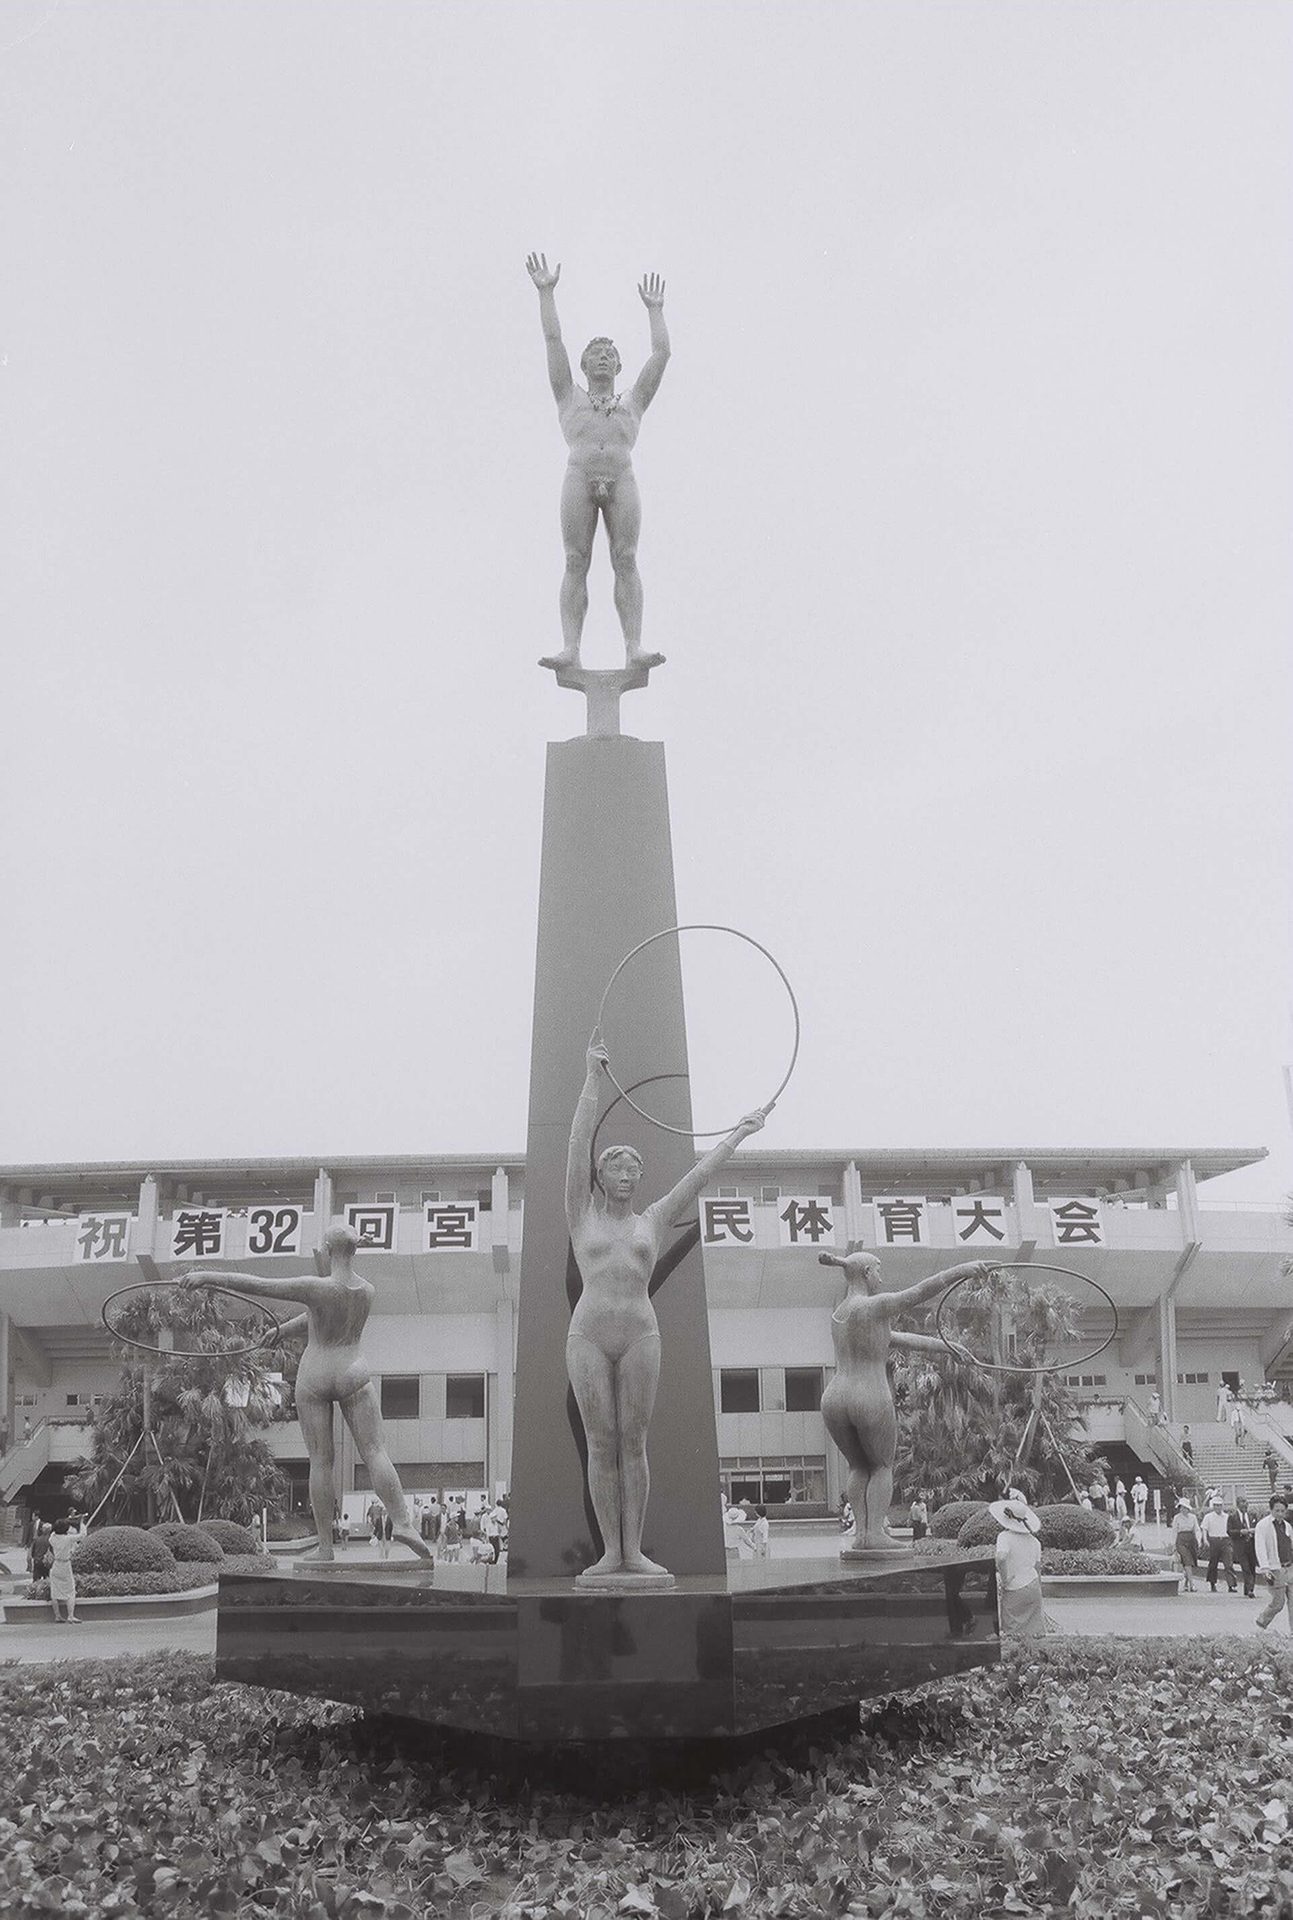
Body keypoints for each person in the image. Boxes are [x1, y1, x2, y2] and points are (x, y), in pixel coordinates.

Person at [563, 1030, 767, 1581]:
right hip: (588, 1335)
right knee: (600, 1443)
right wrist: (591, 1079)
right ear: (600, 1176)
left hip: (639, 1334)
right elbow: (576, 1145)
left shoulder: (652, 1220)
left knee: (634, 1441)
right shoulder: (581, 1215)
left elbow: (698, 1178)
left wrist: (739, 1133)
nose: (627, 1176)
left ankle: (633, 1551)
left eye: (634, 1170)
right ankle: (610, 1553)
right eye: (617, 1169)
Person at [178, 1226, 431, 1565]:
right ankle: (402, 1521)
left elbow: (259, 1285)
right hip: (352, 1368)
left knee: (321, 1462)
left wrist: (206, 1277)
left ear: (328, 1249)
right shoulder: (366, 1290)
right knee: (375, 1450)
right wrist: (282, 1331)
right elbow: (318, 1314)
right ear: (353, 1250)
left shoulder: (317, 1287)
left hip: (316, 1373)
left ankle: (325, 1547)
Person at [525, 254, 670, 674]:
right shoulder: (569, 396)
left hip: (621, 475)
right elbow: (553, 340)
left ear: (619, 365)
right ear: (584, 365)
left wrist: (655, 311)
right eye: (596, 353)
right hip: (580, 474)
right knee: (576, 559)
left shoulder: (632, 401)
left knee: (626, 557)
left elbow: (661, 354)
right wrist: (546, 293)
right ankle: (571, 647)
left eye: (610, 353)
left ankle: (633, 647)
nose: (603, 357)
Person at [817, 1244, 991, 1550]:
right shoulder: (874, 1305)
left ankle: (862, 1535)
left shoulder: (839, 1314)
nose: (881, 1278)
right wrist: (962, 1270)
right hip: (868, 1394)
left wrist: (949, 1347)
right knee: (881, 1466)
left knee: (858, 1466)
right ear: (867, 1273)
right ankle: (874, 1534)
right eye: (878, 1271)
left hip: (834, 1398)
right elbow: (919, 1292)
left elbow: (895, 1339)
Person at [990, 1493, 1046, 1638]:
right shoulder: (1035, 1541)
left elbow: (1001, 1558)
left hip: (1014, 1587)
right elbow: (1037, 1568)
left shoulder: (1004, 1537)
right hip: (1033, 1586)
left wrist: (1005, 1579)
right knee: (1033, 1634)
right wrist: (1039, 1590)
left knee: (1012, 1632)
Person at [1255, 1496, 1293, 1632]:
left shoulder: (1287, 1526)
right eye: (1277, 1511)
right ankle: (1262, 1620)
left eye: (1282, 1511)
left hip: (1289, 1567)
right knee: (1278, 1602)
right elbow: (1260, 1548)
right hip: (1275, 1568)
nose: (1280, 1514)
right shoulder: (1263, 1526)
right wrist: (1265, 1569)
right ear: (1271, 1510)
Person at [1201, 1495, 1238, 1593]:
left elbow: (1231, 1530)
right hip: (1214, 1540)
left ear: (1222, 1506)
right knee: (1213, 1563)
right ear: (1213, 1506)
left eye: (1220, 1505)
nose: (1218, 1507)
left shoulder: (1227, 1517)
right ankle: (1212, 1583)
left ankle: (1231, 1585)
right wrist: (1205, 1540)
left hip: (1225, 1540)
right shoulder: (1208, 1517)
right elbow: (1204, 1529)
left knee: (1228, 1563)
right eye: (1216, 1505)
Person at [47, 1517, 78, 1623]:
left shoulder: (52, 1539)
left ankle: (57, 1616)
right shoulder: (68, 1539)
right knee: (71, 1592)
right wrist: (82, 1523)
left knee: (54, 1593)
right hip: (65, 1565)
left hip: (56, 1565)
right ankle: (70, 1616)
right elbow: (83, 1535)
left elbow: (52, 1533)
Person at [1229, 1495, 1257, 1597]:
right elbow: (1229, 1531)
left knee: (1252, 1567)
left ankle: (1249, 1589)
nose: (1245, 1505)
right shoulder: (1232, 1517)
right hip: (1240, 1546)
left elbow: (1258, 1527)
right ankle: (1250, 1590)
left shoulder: (1252, 1515)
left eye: (1246, 1503)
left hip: (1251, 1545)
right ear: (1238, 1504)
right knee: (1246, 1568)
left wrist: (1254, 1531)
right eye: (1243, 1502)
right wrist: (1240, 1532)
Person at [1173, 1497, 1202, 1591]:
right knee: (1187, 1561)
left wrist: (1199, 1540)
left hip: (1191, 1540)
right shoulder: (1177, 1518)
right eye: (1181, 1507)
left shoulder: (1193, 1517)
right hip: (1181, 1540)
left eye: (1185, 1508)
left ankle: (1186, 1583)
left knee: (1191, 1563)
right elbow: (1174, 1531)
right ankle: (1192, 1584)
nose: (1183, 1509)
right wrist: (1174, 1545)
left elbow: (1197, 1529)